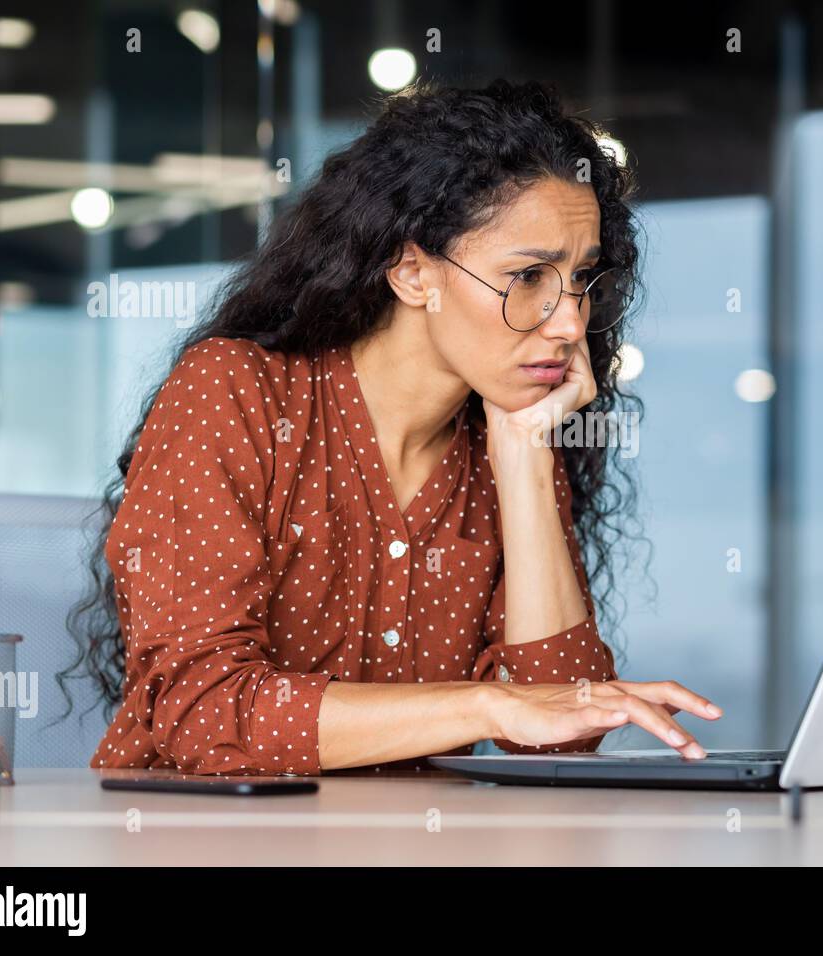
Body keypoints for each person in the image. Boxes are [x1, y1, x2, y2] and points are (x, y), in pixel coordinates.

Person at [71, 79, 721, 775]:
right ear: (413, 272)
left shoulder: (509, 434)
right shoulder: (233, 391)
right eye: (528, 276)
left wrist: (526, 457)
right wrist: (485, 705)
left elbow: (557, 731)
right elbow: (200, 709)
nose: (569, 326)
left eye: (580, 280)